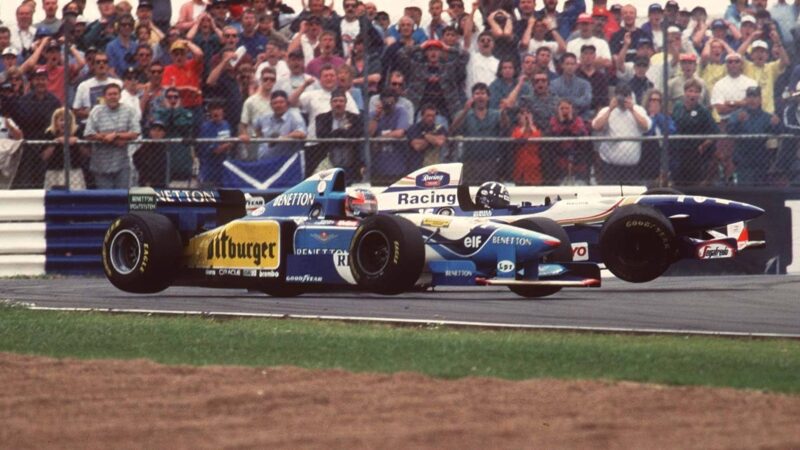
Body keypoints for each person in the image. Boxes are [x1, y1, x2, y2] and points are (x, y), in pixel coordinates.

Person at [10, 67, 60, 189]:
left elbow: (57, 123)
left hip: (48, 147)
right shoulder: (24, 100)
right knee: (27, 182)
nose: (40, 82)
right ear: (32, 82)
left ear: (47, 81)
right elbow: (19, 121)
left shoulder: (54, 101)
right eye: (37, 79)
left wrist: (51, 145)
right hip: (28, 147)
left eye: (43, 79)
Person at [591, 84, 652, 184]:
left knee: (631, 197)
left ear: (630, 97)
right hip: (610, 166)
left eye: (626, 96)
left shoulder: (638, 110)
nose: (623, 100)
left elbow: (646, 126)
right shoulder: (606, 110)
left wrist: (632, 109)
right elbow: (596, 126)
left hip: (631, 167)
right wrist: (610, 109)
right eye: (620, 96)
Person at [84, 83, 141, 189]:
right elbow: (88, 134)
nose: (113, 97)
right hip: (100, 164)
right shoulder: (96, 111)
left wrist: (115, 135)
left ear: (120, 96)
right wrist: (105, 138)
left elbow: (136, 132)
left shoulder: (129, 111)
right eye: (109, 94)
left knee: (122, 198)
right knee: (106, 200)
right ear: (104, 96)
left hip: (122, 164)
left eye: (115, 94)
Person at [451, 82, 510, 184]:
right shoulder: (465, 114)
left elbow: (506, 127)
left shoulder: (495, 114)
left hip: (491, 162)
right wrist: (465, 111)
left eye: (483, 93)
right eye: (477, 93)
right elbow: (453, 128)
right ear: (473, 97)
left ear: (488, 97)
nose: (480, 96)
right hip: (470, 162)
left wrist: (504, 112)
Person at [727, 86, 782, 185]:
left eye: (755, 97)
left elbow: (777, 133)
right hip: (742, 160)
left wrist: (776, 125)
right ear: (746, 99)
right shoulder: (737, 115)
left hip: (761, 160)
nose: (752, 100)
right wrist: (739, 122)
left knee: (761, 191)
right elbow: (730, 131)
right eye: (750, 97)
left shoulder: (767, 117)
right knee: (744, 189)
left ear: (760, 99)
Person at [670, 79, 718, 185]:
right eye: (690, 91)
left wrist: (704, 145)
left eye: (696, 92)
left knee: (693, 184)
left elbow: (715, 132)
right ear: (685, 92)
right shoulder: (678, 107)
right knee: (678, 183)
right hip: (678, 152)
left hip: (695, 154)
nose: (693, 94)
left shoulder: (703, 111)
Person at [315, 88, 364, 181]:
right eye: (335, 101)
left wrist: (336, 133)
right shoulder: (321, 118)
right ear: (331, 103)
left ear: (345, 103)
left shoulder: (355, 118)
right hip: (329, 154)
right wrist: (343, 132)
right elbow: (321, 135)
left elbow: (358, 134)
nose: (338, 104)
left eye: (341, 101)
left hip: (350, 155)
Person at [368, 89, 410, 183]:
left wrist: (378, 139)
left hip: (397, 165)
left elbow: (400, 133)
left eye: (391, 102)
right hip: (378, 166)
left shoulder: (400, 111)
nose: (388, 105)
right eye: (386, 102)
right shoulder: (374, 114)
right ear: (381, 101)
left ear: (395, 101)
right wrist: (376, 117)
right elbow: (369, 134)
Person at [252, 90, 307, 159]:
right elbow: (256, 126)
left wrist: (282, 138)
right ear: (271, 105)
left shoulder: (295, 116)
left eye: (281, 102)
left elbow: (301, 133)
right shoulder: (264, 118)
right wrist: (261, 138)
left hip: (285, 162)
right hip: (264, 160)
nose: (278, 105)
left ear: (287, 104)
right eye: (275, 103)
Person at [549, 98, 591, 185]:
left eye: (567, 108)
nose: (565, 111)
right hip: (560, 157)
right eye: (562, 108)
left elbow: (582, 135)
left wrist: (570, 120)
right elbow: (555, 135)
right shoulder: (554, 120)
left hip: (577, 157)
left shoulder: (578, 120)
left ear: (572, 109)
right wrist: (562, 121)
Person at [42, 108, 86, 190]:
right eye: (61, 120)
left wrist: (78, 141)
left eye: (67, 120)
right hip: (54, 170)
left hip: (74, 170)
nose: (64, 123)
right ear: (55, 121)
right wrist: (55, 142)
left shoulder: (77, 131)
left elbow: (86, 153)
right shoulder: (50, 133)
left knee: (76, 195)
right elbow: (44, 156)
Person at [640, 89, 675, 184]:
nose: (655, 103)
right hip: (647, 157)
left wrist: (657, 116)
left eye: (658, 100)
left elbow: (671, 131)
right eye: (652, 100)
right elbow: (648, 132)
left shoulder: (666, 118)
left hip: (663, 155)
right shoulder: (643, 117)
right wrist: (652, 118)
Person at [197, 101, 233, 187]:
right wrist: (229, 144)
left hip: (224, 166)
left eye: (218, 109)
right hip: (210, 168)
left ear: (222, 111)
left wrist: (229, 144)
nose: (216, 112)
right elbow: (215, 150)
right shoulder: (206, 127)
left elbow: (229, 144)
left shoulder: (226, 124)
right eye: (213, 109)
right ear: (210, 112)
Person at [406, 103, 448, 168]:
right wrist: (433, 140)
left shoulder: (440, 128)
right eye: (428, 116)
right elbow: (417, 146)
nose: (431, 118)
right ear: (422, 116)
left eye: (433, 116)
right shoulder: (414, 128)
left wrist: (426, 136)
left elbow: (440, 142)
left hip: (434, 166)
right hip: (417, 166)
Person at [509, 104, 542, 185]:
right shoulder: (516, 130)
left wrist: (530, 125)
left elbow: (537, 137)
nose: (526, 116)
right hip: (520, 169)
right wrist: (525, 126)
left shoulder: (537, 130)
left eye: (528, 113)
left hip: (534, 168)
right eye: (523, 114)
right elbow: (518, 138)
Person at [133, 119, 168, 187]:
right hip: (146, 181)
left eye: (159, 130)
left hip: (162, 182)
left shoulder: (167, 147)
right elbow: (136, 160)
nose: (156, 133)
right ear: (150, 132)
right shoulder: (144, 147)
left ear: (164, 133)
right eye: (154, 130)